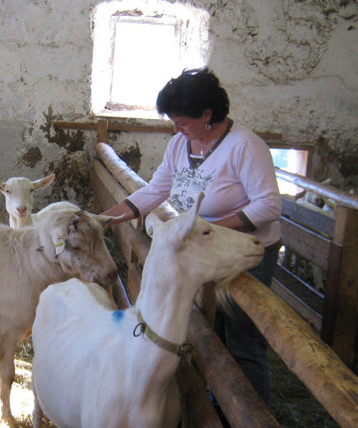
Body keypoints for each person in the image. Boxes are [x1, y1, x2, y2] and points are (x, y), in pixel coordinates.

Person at [102, 67, 281, 404]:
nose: (176, 128)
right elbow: (157, 189)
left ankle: (247, 425)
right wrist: (105, 219)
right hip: (205, 249)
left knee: (243, 340)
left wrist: (208, 230)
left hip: (246, 252)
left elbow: (269, 206)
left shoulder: (244, 146)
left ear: (207, 114)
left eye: (182, 121)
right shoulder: (179, 145)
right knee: (212, 333)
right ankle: (216, 404)